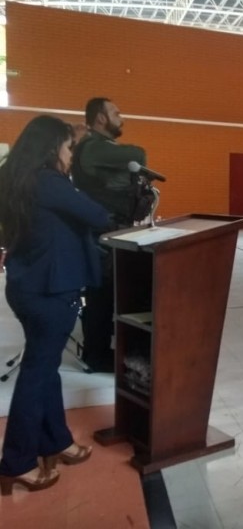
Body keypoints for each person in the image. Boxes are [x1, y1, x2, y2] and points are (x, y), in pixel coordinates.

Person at [0, 116, 111, 495]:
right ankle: (17, 462)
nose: (70, 156)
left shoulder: (15, 178)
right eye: (68, 148)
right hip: (51, 292)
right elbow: (97, 215)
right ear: (51, 149)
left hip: (26, 286)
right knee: (36, 374)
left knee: (45, 369)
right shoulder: (49, 182)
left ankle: (56, 441)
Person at [71, 98, 147, 372]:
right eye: (116, 112)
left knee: (107, 293)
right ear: (101, 118)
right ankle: (98, 355)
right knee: (101, 294)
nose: (121, 117)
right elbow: (137, 155)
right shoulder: (93, 148)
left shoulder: (99, 148)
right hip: (101, 233)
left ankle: (103, 349)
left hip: (110, 230)